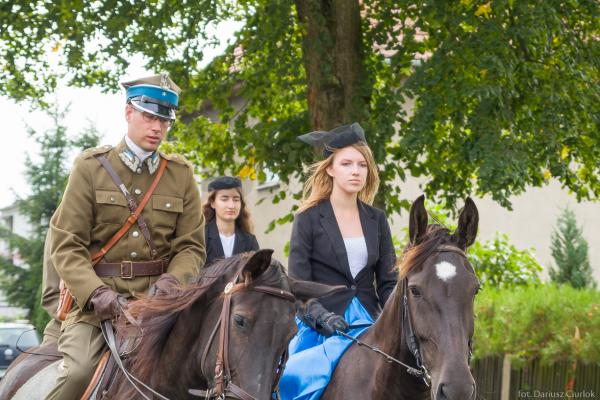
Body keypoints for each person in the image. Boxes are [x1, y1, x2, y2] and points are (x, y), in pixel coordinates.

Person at [46, 74, 206, 400]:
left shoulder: (181, 175)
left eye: (164, 120)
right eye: (149, 116)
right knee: (77, 375)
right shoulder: (91, 168)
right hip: (95, 310)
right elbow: (67, 243)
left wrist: (169, 286)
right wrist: (96, 294)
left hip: (159, 308)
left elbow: (190, 246)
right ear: (128, 112)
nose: (157, 127)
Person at [279, 122, 397, 400]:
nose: (355, 171)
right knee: (289, 380)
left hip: (371, 324)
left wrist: (395, 320)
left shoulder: (377, 220)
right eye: (346, 164)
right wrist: (322, 318)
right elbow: (297, 287)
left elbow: (389, 283)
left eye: (362, 165)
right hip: (320, 327)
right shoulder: (307, 219)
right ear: (330, 169)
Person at [203, 176, 259, 266]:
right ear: (212, 203)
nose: (231, 205)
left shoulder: (249, 240)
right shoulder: (201, 238)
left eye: (236, 199)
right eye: (224, 199)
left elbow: (257, 275)